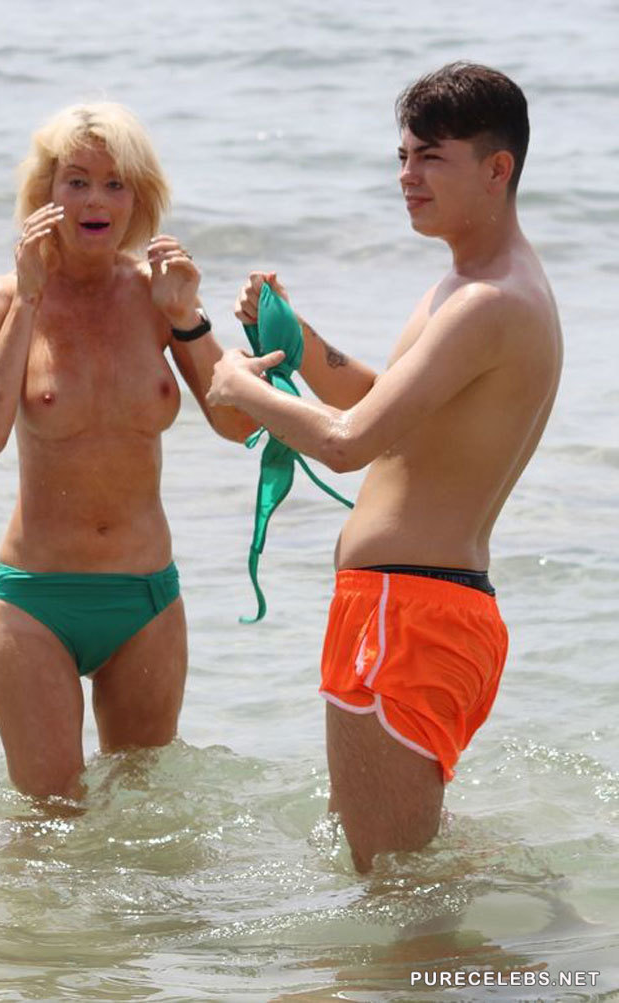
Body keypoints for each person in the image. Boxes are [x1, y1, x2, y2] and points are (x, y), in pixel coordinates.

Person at [208, 63, 562, 872]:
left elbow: (346, 443)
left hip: (408, 615)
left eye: (431, 157)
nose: (407, 176)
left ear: (497, 168)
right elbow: (384, 406)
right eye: (402, 156)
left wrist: (235, 385)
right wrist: (299, 336)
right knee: (402, 871)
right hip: (420, 606)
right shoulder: (473, 285)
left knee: (390, 889)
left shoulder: (488, 302)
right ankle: (539, 929)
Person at [0, 102, 255, 801]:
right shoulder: (1, 300)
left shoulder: (156, 297)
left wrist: (187, 318)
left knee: (147, 821)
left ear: (138, 199)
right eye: (77, 181)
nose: (96, 200)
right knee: (46, 821)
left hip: (145, 599)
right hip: (38, 599)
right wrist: (29, 300)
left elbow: (239, 425)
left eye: (115, 184)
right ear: (46, 195)